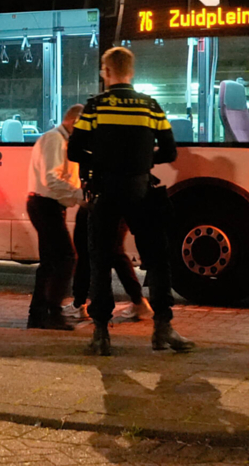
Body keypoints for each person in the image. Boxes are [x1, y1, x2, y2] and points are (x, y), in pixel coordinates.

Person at [68, 47, 193, 355]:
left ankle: (100, 334)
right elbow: (170, 153)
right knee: (157, 260)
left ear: (105, 72)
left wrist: (101, 161)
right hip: (141, 191)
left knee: (100, 259)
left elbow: (74, 151)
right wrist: (141, 160)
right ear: (132, 72)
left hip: (106, 192)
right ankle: (163, 327)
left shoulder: (95, 106)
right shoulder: (149, 106)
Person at [26, 104, 85, 330]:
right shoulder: (54, 140)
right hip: (45, 204)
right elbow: (51, 179)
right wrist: (79, 195)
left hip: (45, 204)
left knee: (50, 262)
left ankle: (38, 315)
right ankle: (53, 312)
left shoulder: (61, 140)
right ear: (72, 122)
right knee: (65, 258)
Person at [64, 213, 153, 321]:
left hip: (96, 207)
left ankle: (81, 304)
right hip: (120, 208)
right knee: (114, 252)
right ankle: (137, 299)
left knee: (88, 251)